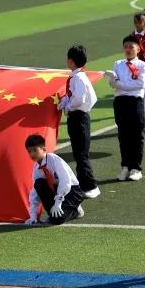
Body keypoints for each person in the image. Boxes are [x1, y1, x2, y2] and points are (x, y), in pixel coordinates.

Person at [59, 44, 99, 198]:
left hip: (79, 118)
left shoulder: (78, 77)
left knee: (81, 154)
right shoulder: (78, 76)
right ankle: (84, 184)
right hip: (78, 117)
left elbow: (79, 99)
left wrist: (67, 106)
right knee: (78, 153)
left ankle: (90, 186)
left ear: (71, 61)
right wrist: (64, 101)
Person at [107, 35, 145, 182]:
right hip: (120, 102)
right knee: (123, 136)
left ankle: (136, 168)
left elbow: (140, 85)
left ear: (138, 48)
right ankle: (125, 167)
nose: (128, 49)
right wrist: (115, 81)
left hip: (135, 102)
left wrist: (119, 84)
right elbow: (112, 84)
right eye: (126, 47)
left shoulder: (142, 65)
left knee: (136, 136)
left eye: (131, 46)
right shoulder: (117, 64)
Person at [24, 134, 85, 225]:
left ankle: (76, 210)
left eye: (35, 150)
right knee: (38, 183)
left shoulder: (54, 160)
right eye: (29, 151)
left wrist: (58, 203)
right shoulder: (36, 169)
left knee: (58, 220)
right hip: (56, 191)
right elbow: (35, 194)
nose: (32, 154)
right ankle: (54, 215)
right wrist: (33, 216)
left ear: (44, 149)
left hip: (71, 192)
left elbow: (66, 182)